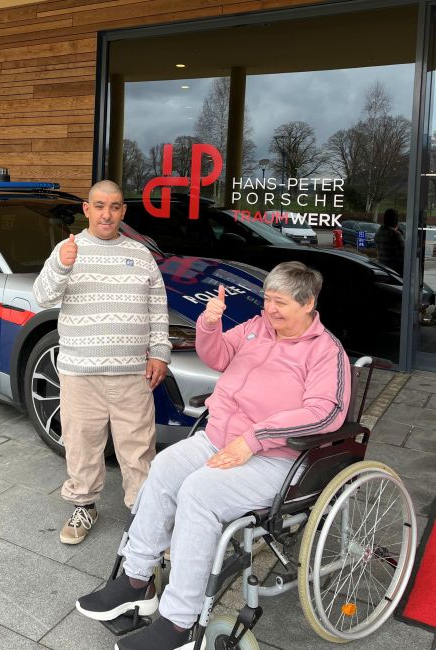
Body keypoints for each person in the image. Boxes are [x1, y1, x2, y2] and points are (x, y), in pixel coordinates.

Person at [75, 261, 350, 650]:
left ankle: (179, 624)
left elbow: (325, 412)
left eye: (280, 303)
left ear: (308, 304)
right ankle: (137, 580)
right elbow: (217, 357)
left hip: (277, 457)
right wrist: (209, 324)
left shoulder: (326, 352)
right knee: (164, 467)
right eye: (268, 299)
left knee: (199, 493)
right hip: (220, 437)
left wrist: (254, 439)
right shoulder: (256, 327)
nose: (270, 309)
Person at [33, 180, 171, 545]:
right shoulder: (68, 249)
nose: (106, 214)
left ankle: (144, 514)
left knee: (139, 448)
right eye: (99, 206)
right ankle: (84, 506)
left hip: (132, 374)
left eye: (114, 207)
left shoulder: (141, 255)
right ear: (87, 209)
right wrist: (61, 266)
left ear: (123, 211)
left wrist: (160, 353)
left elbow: (158, 308)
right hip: (80, 373)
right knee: (81, 444)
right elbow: (42, 297)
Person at [374, 208, 405, 275]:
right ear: (394, 220)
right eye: (396, 218)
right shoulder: (395, 235)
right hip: (395, 273)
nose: (397, 221)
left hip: (383, 270)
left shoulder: (379, 233)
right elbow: (404, 257)